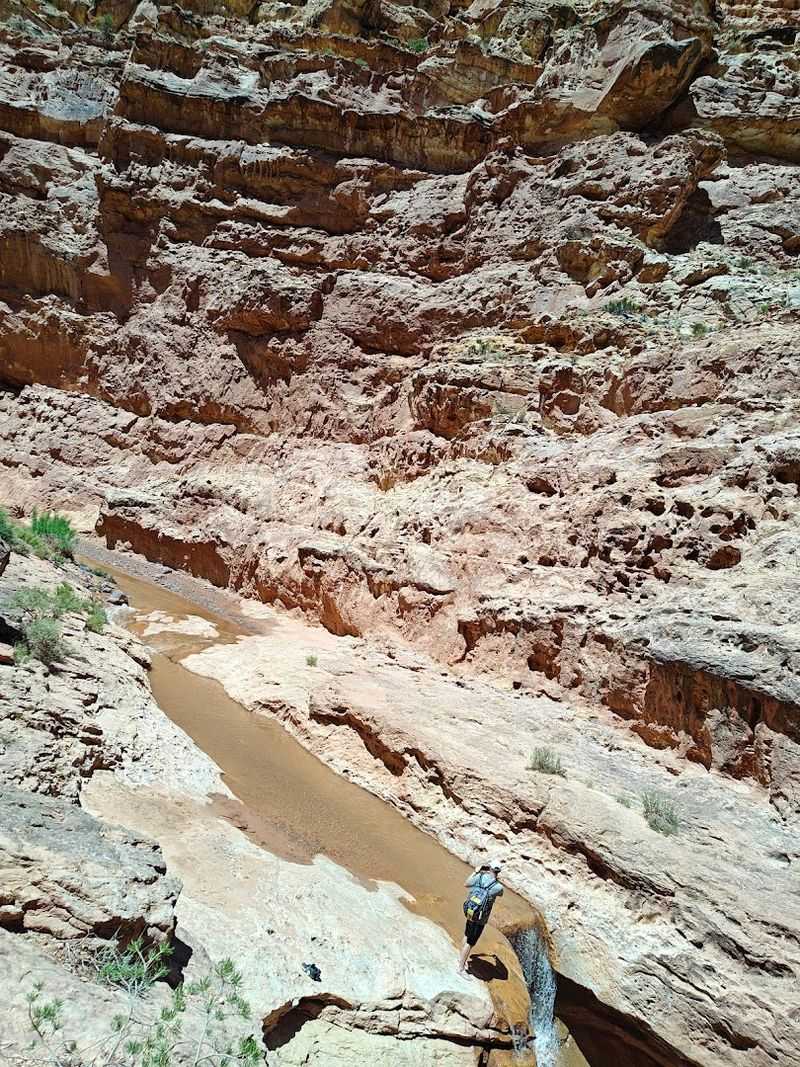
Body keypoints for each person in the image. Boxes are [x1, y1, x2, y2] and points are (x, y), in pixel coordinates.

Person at [458, 860, 503, 974]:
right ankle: (460, 969)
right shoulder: (498, 887)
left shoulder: (480, 877)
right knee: (471, 942)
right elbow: (501, 895)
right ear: (499, 871)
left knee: (466, 935)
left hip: (471, 910)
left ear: (489, 868)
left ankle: (460, 958)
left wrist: (476, 871)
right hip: (481, 918)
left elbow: (466, 884)